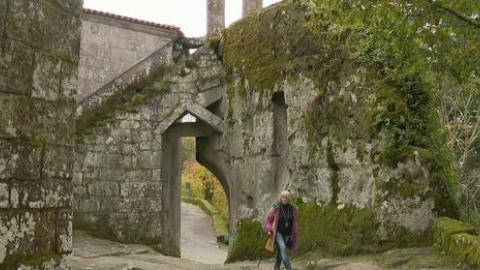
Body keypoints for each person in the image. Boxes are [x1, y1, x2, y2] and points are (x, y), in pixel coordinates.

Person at [265, 190, 298, 270]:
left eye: (286, 197)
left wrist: (294, 233)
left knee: (280, 251)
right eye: (283, 197)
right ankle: (288, 268)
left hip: (287, 234)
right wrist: (269, 229)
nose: (284, 199)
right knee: (283, 248)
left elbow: (294, 222)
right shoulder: (276, 207)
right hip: (278, 233)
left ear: (289, 199)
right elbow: (269, 220)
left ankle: (276, 267)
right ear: (281, 198)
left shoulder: (292, 208)